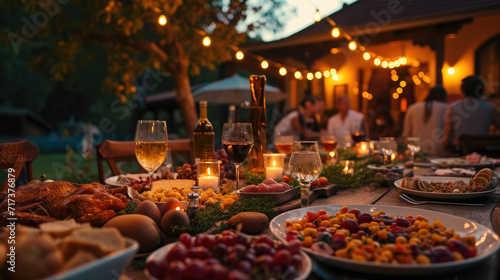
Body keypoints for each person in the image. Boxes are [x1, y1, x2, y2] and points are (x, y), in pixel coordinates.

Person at [442, 76, 500, 152]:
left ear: (462, 90)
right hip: (483, 157)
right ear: (481, 90)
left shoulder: (452, 108)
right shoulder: (490, 108)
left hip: (461, 156)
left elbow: (445, 141)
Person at [401, 85, 448, 156]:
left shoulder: (412, 108)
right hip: (440, 154)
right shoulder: (447, 108)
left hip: (417, 153)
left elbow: (406, 135)